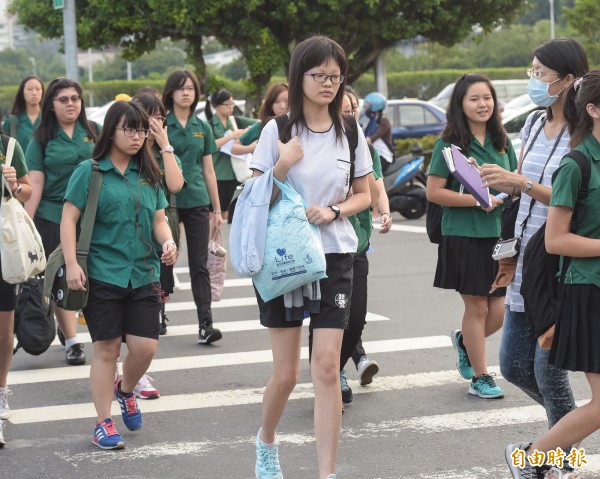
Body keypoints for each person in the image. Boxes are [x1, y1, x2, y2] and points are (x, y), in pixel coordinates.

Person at [249, 35, 372, 479]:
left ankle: (327, 473)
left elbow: (364, 194)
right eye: (318, 74)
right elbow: (251, 197)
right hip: (284, 258)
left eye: (335, 76)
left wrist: (335, 210)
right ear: (299, 76)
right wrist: (283, 165)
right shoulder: (277, 131)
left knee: (325, 366)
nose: (327, 83)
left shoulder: (352, 131)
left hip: (335, 255)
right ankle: (266, 441)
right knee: (285, 373)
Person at [480, 39, 587, 437]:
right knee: (513, 366)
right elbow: (522, 184)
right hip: (523, 257)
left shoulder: (586, 135)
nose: (534, 80)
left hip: (558, 262)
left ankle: (557, 457)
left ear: (569, 80)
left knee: (548, 372)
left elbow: (574, 200)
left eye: (541, 74)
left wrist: (519, 182)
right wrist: (493, 184)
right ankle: (568, 429)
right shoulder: (533, 122)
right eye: (533, 71)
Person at [61, 100, 177, 449]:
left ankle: (125, 390)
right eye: (130, 129)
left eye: (141, 130)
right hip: (102, 273)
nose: (138, 136)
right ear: (111, 131)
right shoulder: (91, 171)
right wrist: (71, 263)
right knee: (106, 349)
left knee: (145, 347)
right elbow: (68, 218)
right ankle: (103, 422)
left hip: (144, 272)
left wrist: (169, 241)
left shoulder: (149, 173)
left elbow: (159, 220)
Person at [505, 69, 600, 479]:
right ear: (593, 110)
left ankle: (532, 459)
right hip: (588, 291)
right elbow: (556, 240)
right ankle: (531, 459)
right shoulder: (576, 165)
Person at [426, 73, 517, 399]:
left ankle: (465, 341)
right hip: (463, 234)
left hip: (500, 235)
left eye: (487, 98)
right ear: (460, 105)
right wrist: (476, 200)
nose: (482, 104)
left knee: (500, 311)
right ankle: (481, 377)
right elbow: (434, 192)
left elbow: (515, 183)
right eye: (474, 99)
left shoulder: (501, 141)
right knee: (477, 309)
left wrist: (504, 188)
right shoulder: (448, 145)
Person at [25, 77, 99, 365]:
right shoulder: (41, 139)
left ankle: (97, 333)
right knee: (63, 278)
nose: (70, 104)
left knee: (94, 276)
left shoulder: (94, 132)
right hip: (52, 217)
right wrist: (27, 223)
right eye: (63, 100)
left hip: (93, 218)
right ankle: (71, 340)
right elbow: (37, 182)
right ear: (52, 106)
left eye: (75, 99)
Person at [127, 93, 184, 399]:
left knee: (148, 320)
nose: (151, 124)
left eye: (158, 118)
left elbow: (175, 185)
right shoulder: (123, 151)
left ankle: (136, 374)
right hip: (122, 246)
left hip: (155, 243)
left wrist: (164, 145)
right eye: (146, 117)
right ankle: (119, 373)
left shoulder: (163, 153)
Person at [162, 70, 224, 345]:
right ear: (171, 93)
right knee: (164, 258)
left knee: (199, 264)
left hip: (197, 200)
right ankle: (157, 313)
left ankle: (205, 323)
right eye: (180, 88)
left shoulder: (203, 126)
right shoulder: (162, 124)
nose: (186, 93)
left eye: (190, 88)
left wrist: (218, 210)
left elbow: (209, 171)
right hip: (167, 203)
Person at [338, 88, 392, 403]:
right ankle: (334, 373)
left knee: (356, 318)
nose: (349, 114)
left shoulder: (363, 148)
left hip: (358, 244)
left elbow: (375, 190)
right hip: (328, 248)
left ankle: (343, 361)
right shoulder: (318, 146)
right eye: (343, 109)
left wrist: (383, 212)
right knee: (335, 317)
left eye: (353, 108)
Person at [0, 137, 32, 448]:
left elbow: (28, 188)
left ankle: (1, 391)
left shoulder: (8, 145)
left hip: (3, 246)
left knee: (4, 330)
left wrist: (15, 185)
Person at [205, 89, 256, 219]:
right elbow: (209, 145)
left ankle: (223, 240)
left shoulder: (236, 121)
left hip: (235, 174)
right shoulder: (209, 125)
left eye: (232, 104)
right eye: (227, 104)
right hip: (218, 174)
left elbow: (258, 123)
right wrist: (230, 137)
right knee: (214, 214)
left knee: (229, 213)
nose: (230, 107)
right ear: (216, 105)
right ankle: (213, 240)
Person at [230, 82, 289, 157]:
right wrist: (250, 148)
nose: (282, 106)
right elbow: (234, 148)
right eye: (276, 102)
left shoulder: (301, 125)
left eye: (287, 101)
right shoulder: (262, 126)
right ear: (270, 105)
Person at [3, 76, 44, 150]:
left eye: (38, 89)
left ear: (42, 92)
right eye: (29, 89)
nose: (34, 93)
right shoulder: (11, 121)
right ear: (22, 92)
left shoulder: (50, 119)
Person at [363, 92, 394, 171]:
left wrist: (367, 140)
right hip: (375, 154)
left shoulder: (384, 121)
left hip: (383, 156)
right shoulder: (374, 120)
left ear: (375, 105)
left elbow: (374, 136)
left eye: (368, 104)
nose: (366, 107)